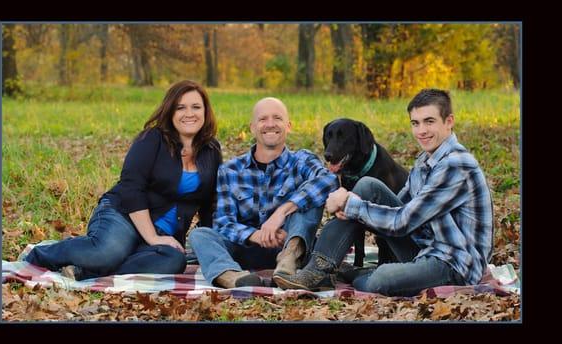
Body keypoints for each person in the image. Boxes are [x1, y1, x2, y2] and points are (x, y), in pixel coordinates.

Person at [273, 89, 494, 297]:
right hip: (424, 248)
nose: (421, 131)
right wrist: (353, 205)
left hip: (454, 265)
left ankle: (354, 273)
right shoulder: (425, 161)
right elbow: (400, 205)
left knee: (380, 278)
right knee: (368, 185)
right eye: (415, 123)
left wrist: (351, 205)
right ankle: (318, 270)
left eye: (429, 121)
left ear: (449, 122)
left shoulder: (456, 164)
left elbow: (403, 221)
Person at [25, 80, 223, 280]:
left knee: (173, 261)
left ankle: (84, 271)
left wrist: (213, 245)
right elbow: (131, 188)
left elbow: (210, 204)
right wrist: (152, 237)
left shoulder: (211, 150)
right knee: (105, 253)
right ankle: (40, 255)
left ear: (205, 111)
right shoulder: (152, 139)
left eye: (196, 107)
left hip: (165, 231)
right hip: (124, 215)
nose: (189, 113)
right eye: (181, 107)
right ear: (170, 111)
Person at [188, 97, 339, 288]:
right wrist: (258, 235)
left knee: (308, 198)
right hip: (246, 250)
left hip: (293, 247)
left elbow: (329, 180)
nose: (270, 124)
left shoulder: (302, 160)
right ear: (252, 127)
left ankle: (288, 261)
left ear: (288, 126)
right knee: (200, 235)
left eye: (277, 118)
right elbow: (224, 222)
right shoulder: (231, 170)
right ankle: (230, 276)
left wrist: (281, 212)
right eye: (263, 119)